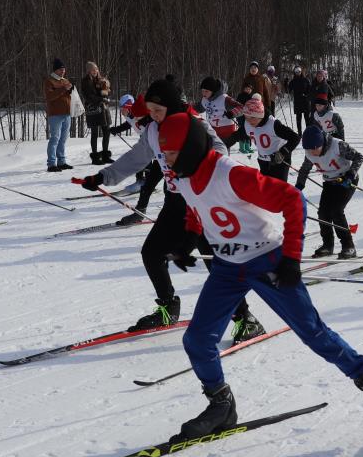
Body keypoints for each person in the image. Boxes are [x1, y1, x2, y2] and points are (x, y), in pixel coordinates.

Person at [153, 112, 363, 442]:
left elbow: (293, 200)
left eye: (171, 152)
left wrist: (290, 258)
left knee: (313, 333)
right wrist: (188, 240)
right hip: (228, 268)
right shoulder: (183, 177)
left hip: (267, 260)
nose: (166, 160)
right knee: (197, 340)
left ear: (188, 148)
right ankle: (221, 406)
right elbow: (195, 208)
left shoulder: (230, 173)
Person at [75, 78, 265, 342]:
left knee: (215, 264)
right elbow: (136, 158)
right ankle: (168, 308)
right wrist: (102, 177)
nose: (152, 116)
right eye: (150, 111)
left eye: (157, 110)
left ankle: (247, 320)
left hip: (202, 202)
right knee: (152, 253)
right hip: (175, 201)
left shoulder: (194, 123)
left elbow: (220, 151)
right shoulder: (154, 130)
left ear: (172, 107)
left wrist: (197, 163)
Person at [301, 124, 361, 259]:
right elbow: (305, 168)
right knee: (323, 213)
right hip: (329, 182)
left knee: (336, 211)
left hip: (346, 181)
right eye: (308, 149)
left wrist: (350, 174)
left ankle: (348, 246)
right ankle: (328, 245)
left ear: (321, 143)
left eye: (314, 149)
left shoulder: (337, 145)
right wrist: (299, 185)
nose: (311, 152)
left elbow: (358, 157)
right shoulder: (309, 152)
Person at [111, 94, 162, 226]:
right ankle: (141, 187)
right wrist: (116, 129)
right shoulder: (131, 115)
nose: (121, 111)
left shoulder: (149, 119)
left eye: (123, 108)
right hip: (149, 142)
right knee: (146, 172)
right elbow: (129, 124)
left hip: (157, 146)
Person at [233, 94, 298, 181]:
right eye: (246, 117)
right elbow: (235, 136)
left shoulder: (273, 124)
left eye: (252, 117)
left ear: (259, 115)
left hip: (279, 161)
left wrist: (282, 152)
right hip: (263, 161)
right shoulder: (247, 124)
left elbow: (295, 137)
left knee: (278, 188)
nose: (248, 121)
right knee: (265, 187)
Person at [43, 58, 74, 172]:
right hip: (55, 114)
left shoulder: (65, 81)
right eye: (61, 69)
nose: (63, 71)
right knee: (54, 139)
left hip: (67, 114)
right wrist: (63, 89)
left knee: (63, 139)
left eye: (64, 69)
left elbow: (67, 96)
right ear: (55, 70)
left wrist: (71, 91)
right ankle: (51, 164)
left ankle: (61, 162)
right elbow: (49, 97)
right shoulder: (49, 81)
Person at [79, 62, 112, 165]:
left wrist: (106, 90)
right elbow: (89, 96)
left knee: (106, 131)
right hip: (93, 109)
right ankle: (95, 157)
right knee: (94, 133)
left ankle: (105, 155)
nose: (95, 71)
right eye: (93, 69)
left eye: (96, 69)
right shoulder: (86, 81)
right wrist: (101, 99)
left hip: (103, 109)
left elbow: (107, 92)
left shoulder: (100, 79)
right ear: (89, 70)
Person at [198, 76, 243, 143]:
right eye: (202, 91)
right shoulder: (204, 100)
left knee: (223, 150)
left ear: (213, 91)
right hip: (213, 128)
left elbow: (241, 107)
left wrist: (232, 113)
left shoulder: (224, 99)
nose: (204, 93)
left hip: (227, 128)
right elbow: (197, 108)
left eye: (206, 91)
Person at [288, 66, 312, 134]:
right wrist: (286, 83)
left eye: (299, 71)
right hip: (297, 102)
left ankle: (308, 132)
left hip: (305, 102)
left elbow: (310, 90)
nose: (298, 73)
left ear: (301, 72)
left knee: (307, 118)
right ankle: (299, 133)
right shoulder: (293, 81)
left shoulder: (306, 80)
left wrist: (306, 95)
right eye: (296, 72)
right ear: (294, 73)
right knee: (298, 119)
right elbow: (288, 90)